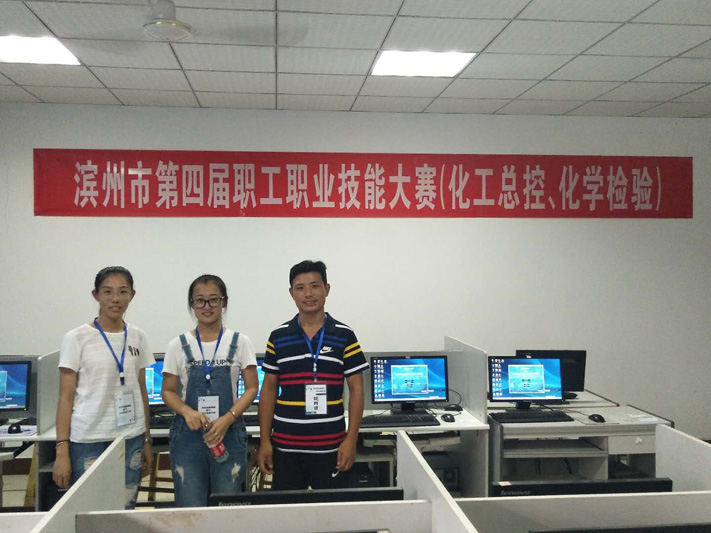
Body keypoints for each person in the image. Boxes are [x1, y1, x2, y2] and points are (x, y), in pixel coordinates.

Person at [257, 260, 368, 490]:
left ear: (327, 289)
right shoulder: (278, 337)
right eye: (300, 288)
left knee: (332, 511)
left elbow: (357, 389)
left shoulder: (345, 335)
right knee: (288, 511)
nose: (308, 294)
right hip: (285, 448)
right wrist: (265, 440)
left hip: (332, 447)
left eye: (315, 286)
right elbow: (268, 389)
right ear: (291, 293)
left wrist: (351, 440)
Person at [53, 266, 154, 510]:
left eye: (122, 292)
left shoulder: (138, 336)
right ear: (96, 295)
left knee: (126, 507)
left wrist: (147, 439)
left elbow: (141, 390)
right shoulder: (77, 337)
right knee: (90, 511)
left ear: (132, 295)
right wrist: (61, 450)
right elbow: (65, 397)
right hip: (89, 438)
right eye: (107, 292)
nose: (115, 299)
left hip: (130, 437)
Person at [162, 274, 258, 507]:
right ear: (192, 304)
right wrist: (187, 412)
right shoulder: (177, 345)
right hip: (188, 438)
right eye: (200, 300)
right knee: (190, 507)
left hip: (229, 434)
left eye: (214, 299)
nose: (207, 306)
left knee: (227, 506)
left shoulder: (240, 342)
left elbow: (252, 387)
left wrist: (228, 418)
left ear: (224, 302)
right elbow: (168, 391)